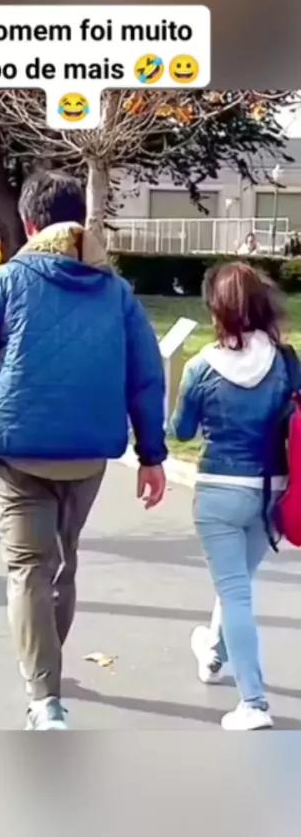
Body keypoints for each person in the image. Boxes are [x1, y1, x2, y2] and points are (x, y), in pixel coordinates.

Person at [0, 171, 167, 730]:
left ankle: (44, 699)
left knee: (28, 569)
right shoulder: (116, 292)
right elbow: (146, 377)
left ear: (29, 223)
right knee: (62, 564)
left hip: (18, 450)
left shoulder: (4, 281)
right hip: (88, 453)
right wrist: (152, 455)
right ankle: (47, 673)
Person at [170, 262, 295, 730]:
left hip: (219, 492)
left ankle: (253, 703)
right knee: (238, 582)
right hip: (271, 491)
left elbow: (181, 431)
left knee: (235, 592)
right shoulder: (287, 362)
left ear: (216, 310)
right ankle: (212, 652)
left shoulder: (201, 367)